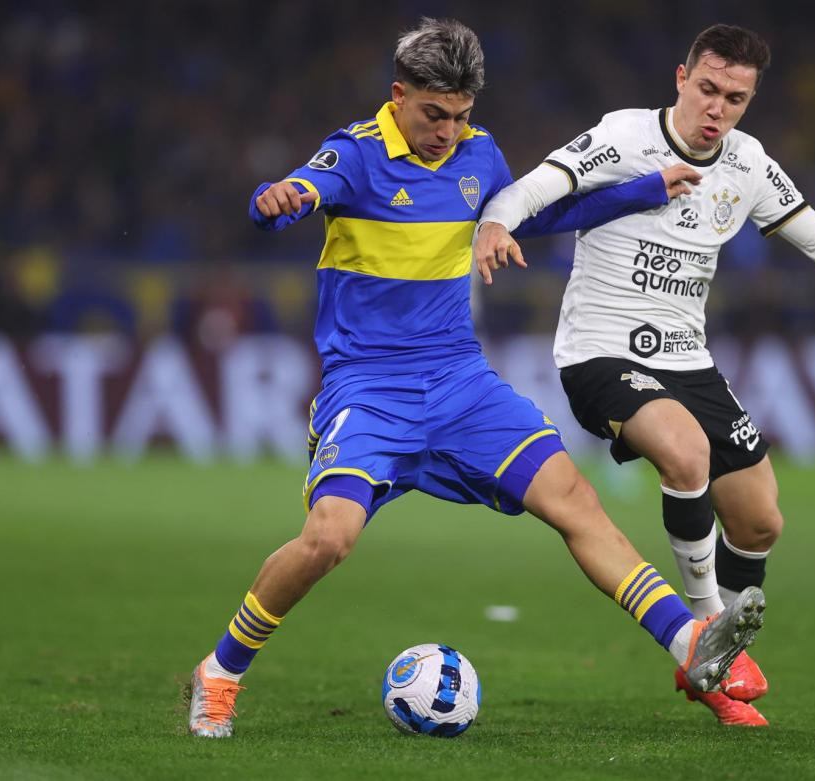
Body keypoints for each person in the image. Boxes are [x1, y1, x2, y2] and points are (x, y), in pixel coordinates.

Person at [186, 17, 766, 739]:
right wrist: (278, 200)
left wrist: (644, 188)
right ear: (398, 96)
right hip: (369, 387)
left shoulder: (478, 154)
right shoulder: (355, 155)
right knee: (329, 537)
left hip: (460, 379)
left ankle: (692, 647)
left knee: (574, 500)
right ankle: (222, 670)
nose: (448, 131)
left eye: (462, 116)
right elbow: (299, 191)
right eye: (434, 115)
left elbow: (547, 213)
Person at [474, 23, 815, 727]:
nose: (717, 107)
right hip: (600, 351)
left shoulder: (747, 164)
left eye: (735, 98)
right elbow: (526, 192)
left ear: (749, 101)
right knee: (685, 452)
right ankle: (708, 637)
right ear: (681, 79)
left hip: (688, 360)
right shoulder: (624, 137)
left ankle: (714, 664)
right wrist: (495, 226)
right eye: (708, 88)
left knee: (761, 519)